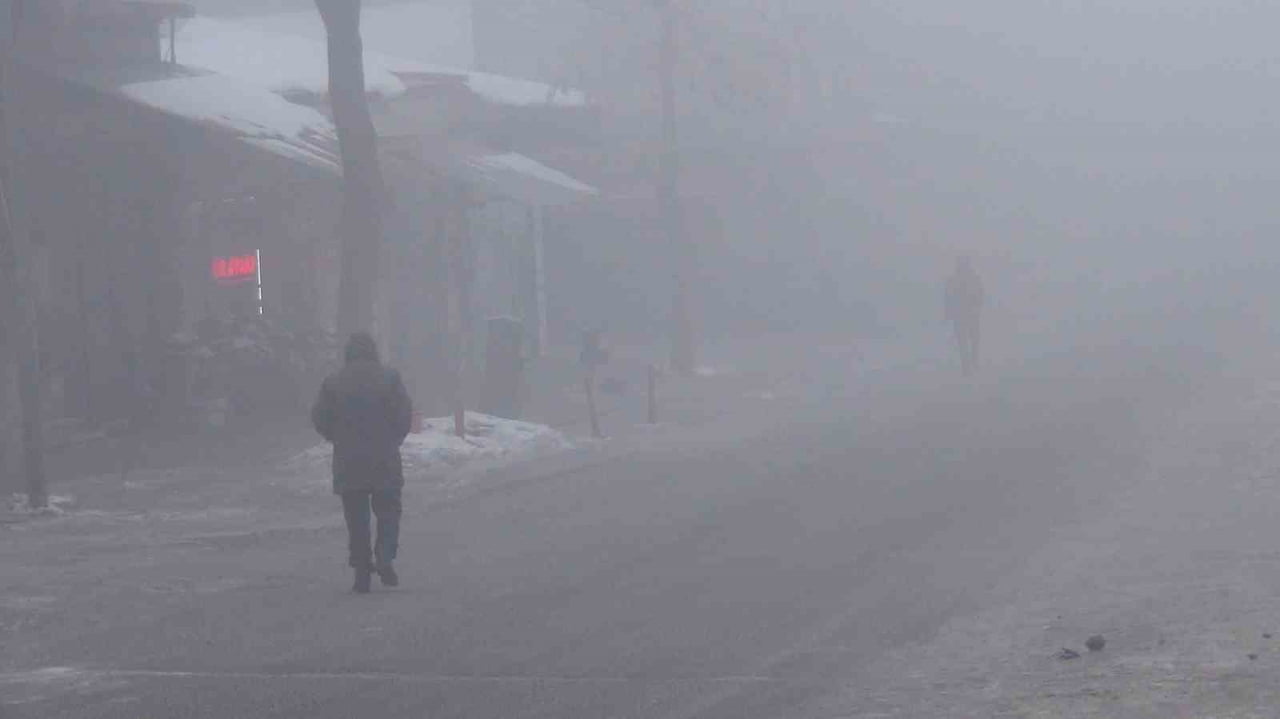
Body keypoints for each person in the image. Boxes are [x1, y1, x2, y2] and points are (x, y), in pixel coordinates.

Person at [311, 332, 412, 593]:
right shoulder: (390, 378)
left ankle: (361, 569)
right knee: (389, 510)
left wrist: (336, 437)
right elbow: (403, 414)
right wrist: (393, 438)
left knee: (356, 517)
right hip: (384, 456)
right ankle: (385, 554)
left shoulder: (333, 382)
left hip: (348, 459)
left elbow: (320, 417)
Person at [944, 255, 985, 375]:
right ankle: (969, 365)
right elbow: (948, 298)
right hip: (965, 315)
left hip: (967, 314)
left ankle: (970, 364)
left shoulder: (959, 279)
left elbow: (980, 294)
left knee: (969, 341)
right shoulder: (965, 279)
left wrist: (948, 312)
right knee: (968, 341)